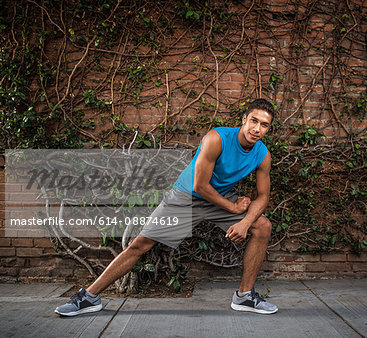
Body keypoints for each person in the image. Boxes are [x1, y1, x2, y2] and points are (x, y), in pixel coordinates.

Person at [55, 98, 278, 316]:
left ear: (268, 129)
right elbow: (199, 186)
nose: (257, 129)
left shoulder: (262, 155)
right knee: (140, 244)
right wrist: (231, 207)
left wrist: (246, 222)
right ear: (244, 119)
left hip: (219, 198)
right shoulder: (217, 138)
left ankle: (245, 296)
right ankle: (89, 297)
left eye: (264, 125)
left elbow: (263, 196)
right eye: (254, 121)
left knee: (263, 226)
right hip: (186, 196)